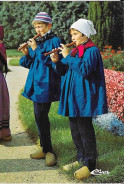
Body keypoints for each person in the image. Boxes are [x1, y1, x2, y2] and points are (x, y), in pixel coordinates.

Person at [51, 19, 108, 180]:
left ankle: (90, 164)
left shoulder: (92, 51)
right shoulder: (76, 51)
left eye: (75, 34)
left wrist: (67, 56)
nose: (73, 38)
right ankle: (80, 158)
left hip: (84, 97)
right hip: (73, 96)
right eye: (72, 34)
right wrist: (57, 62)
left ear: (85, 34)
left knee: (85, 129)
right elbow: (64, 71)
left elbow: (84, 69)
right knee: (75, 129)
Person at [18, 12, 63, 167]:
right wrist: (26, 53)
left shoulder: (55, 41)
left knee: (42, 116)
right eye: (36, 27)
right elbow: (28, 63)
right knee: (39, 116)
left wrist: (36, 49)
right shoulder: (37, 41)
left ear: (49, 26)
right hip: (36, 83)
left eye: (40, 26)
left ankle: (49, 150)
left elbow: (51, 63)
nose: (37, 30)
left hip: (46, 84)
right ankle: (44, 148)